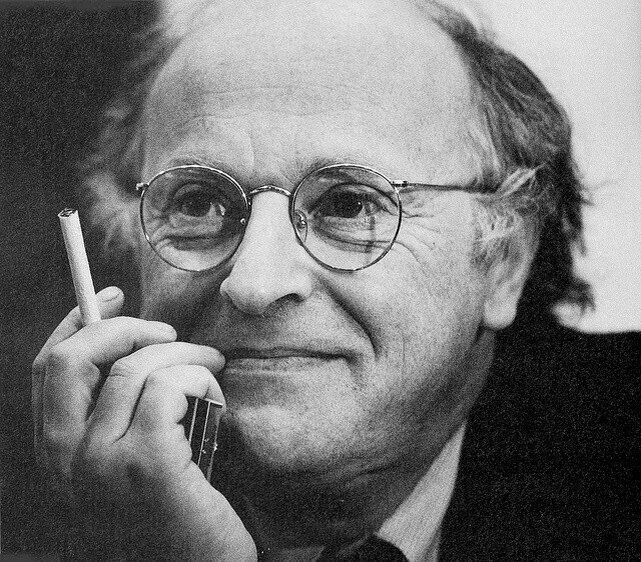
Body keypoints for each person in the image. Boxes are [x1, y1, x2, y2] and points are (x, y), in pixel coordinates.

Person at [30, 0, 638, 559]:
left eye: (348, 205)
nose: (254, 284)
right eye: (199, 204)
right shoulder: (56, 498)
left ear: (504, 260)